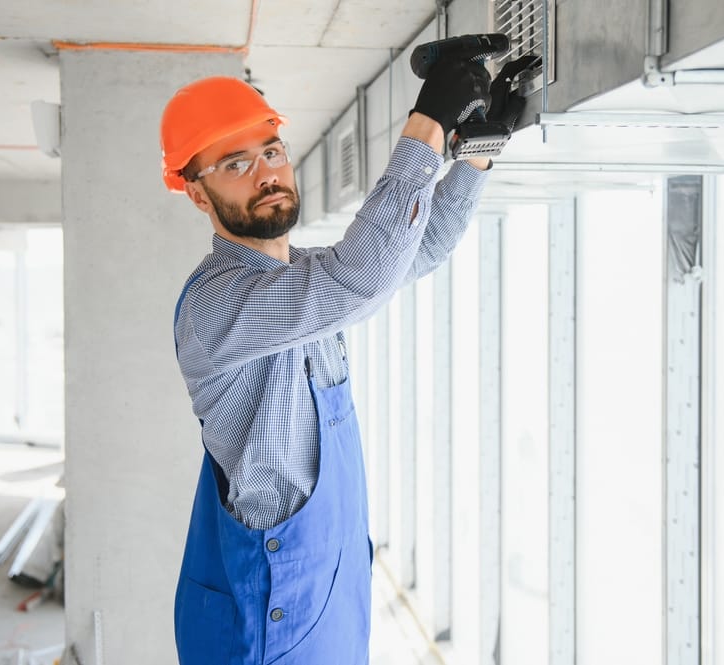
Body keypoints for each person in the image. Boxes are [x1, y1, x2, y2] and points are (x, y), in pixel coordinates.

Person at [161, 52, 504, 664]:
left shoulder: (300, 279)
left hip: (327, 586)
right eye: (234, 164)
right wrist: (425, 124)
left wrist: (479, 149)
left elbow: (415, 254)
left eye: (270, 151)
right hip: (274, 610)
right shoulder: (219, 303)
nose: (265, 173)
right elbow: (366, 276)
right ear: (196, 191)